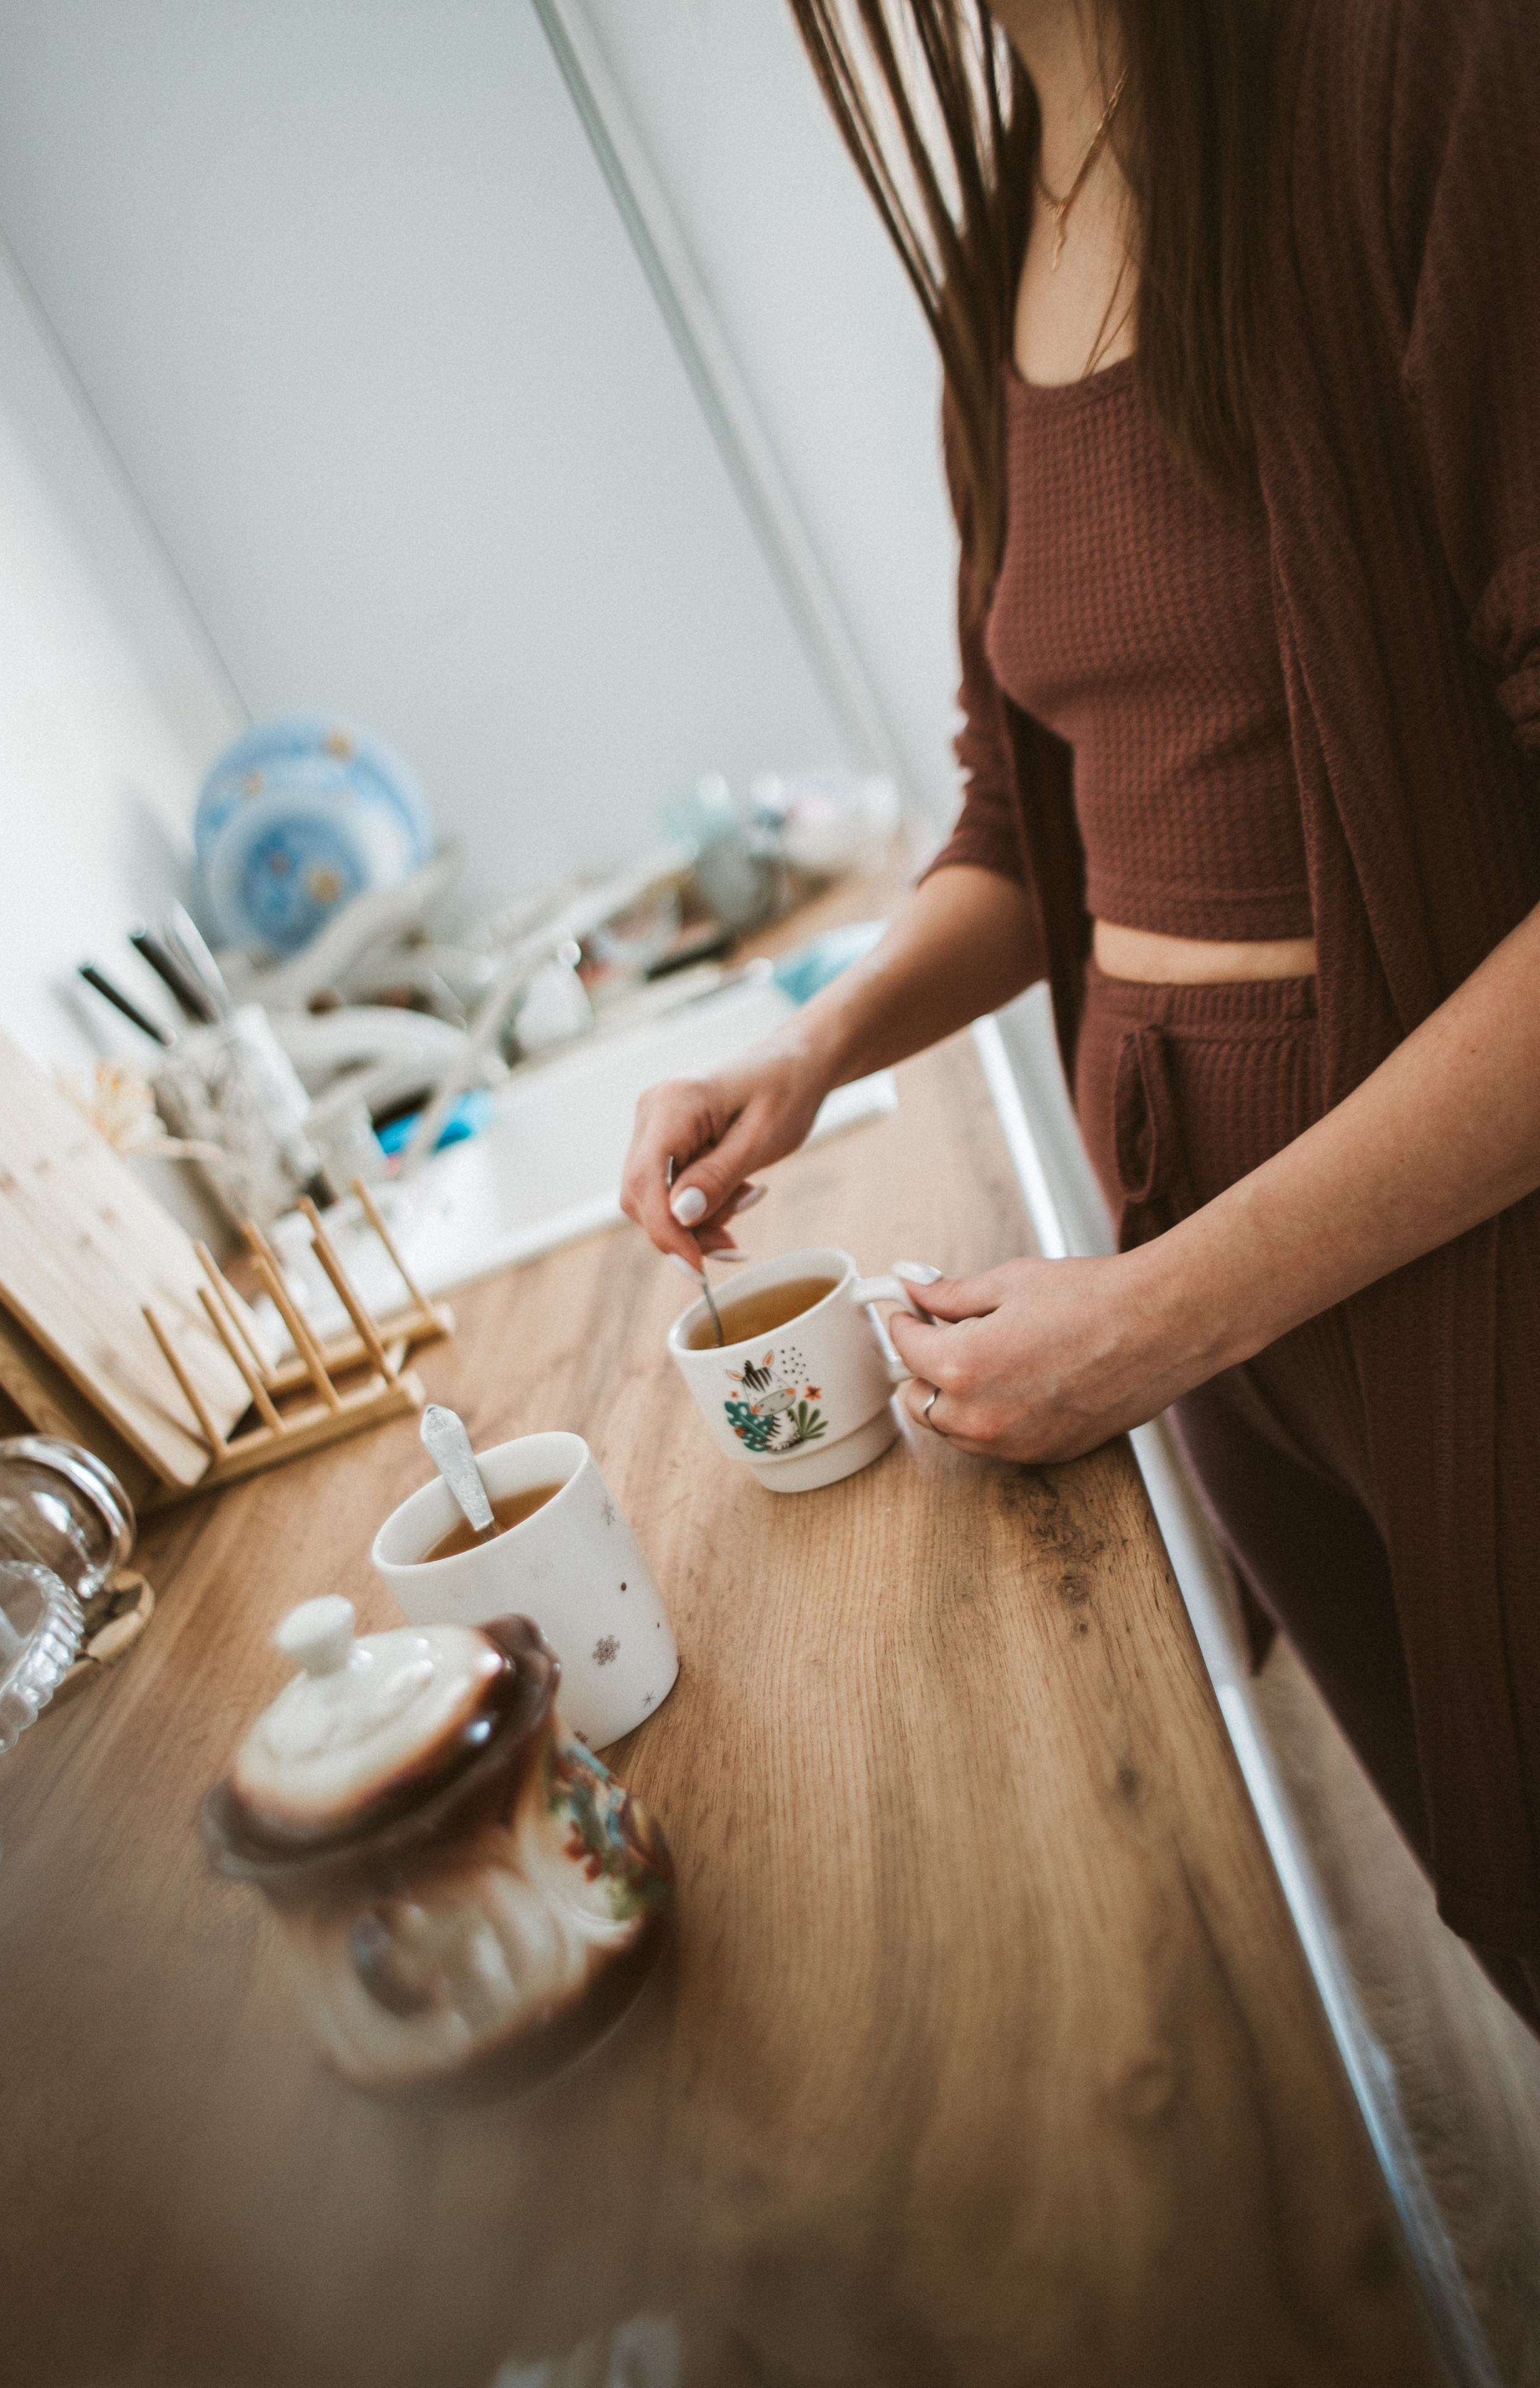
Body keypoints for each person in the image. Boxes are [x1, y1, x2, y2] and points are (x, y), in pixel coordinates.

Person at [618, 0, 1540, 2032]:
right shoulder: (996, 250)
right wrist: (812, 1048)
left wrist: (1173, 1307)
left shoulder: (1421, 72)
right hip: (1210, 1282)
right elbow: (1026, 823)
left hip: (1452, 1270)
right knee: (1504, 1904)